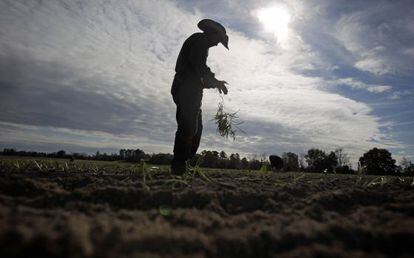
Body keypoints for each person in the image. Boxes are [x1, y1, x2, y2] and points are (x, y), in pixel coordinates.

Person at [170, 19, 229, 175]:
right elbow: (199, 67)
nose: (217, 44)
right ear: (213, 33)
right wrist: (214, 81)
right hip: (185, 88)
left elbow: (198, 75)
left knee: (196, 129)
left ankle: (184, 162)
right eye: (219, 40)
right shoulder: (199, 40)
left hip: (192, 89)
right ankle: (179, 165)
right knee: (188, 126)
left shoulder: (201, 43)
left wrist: (214, 83)